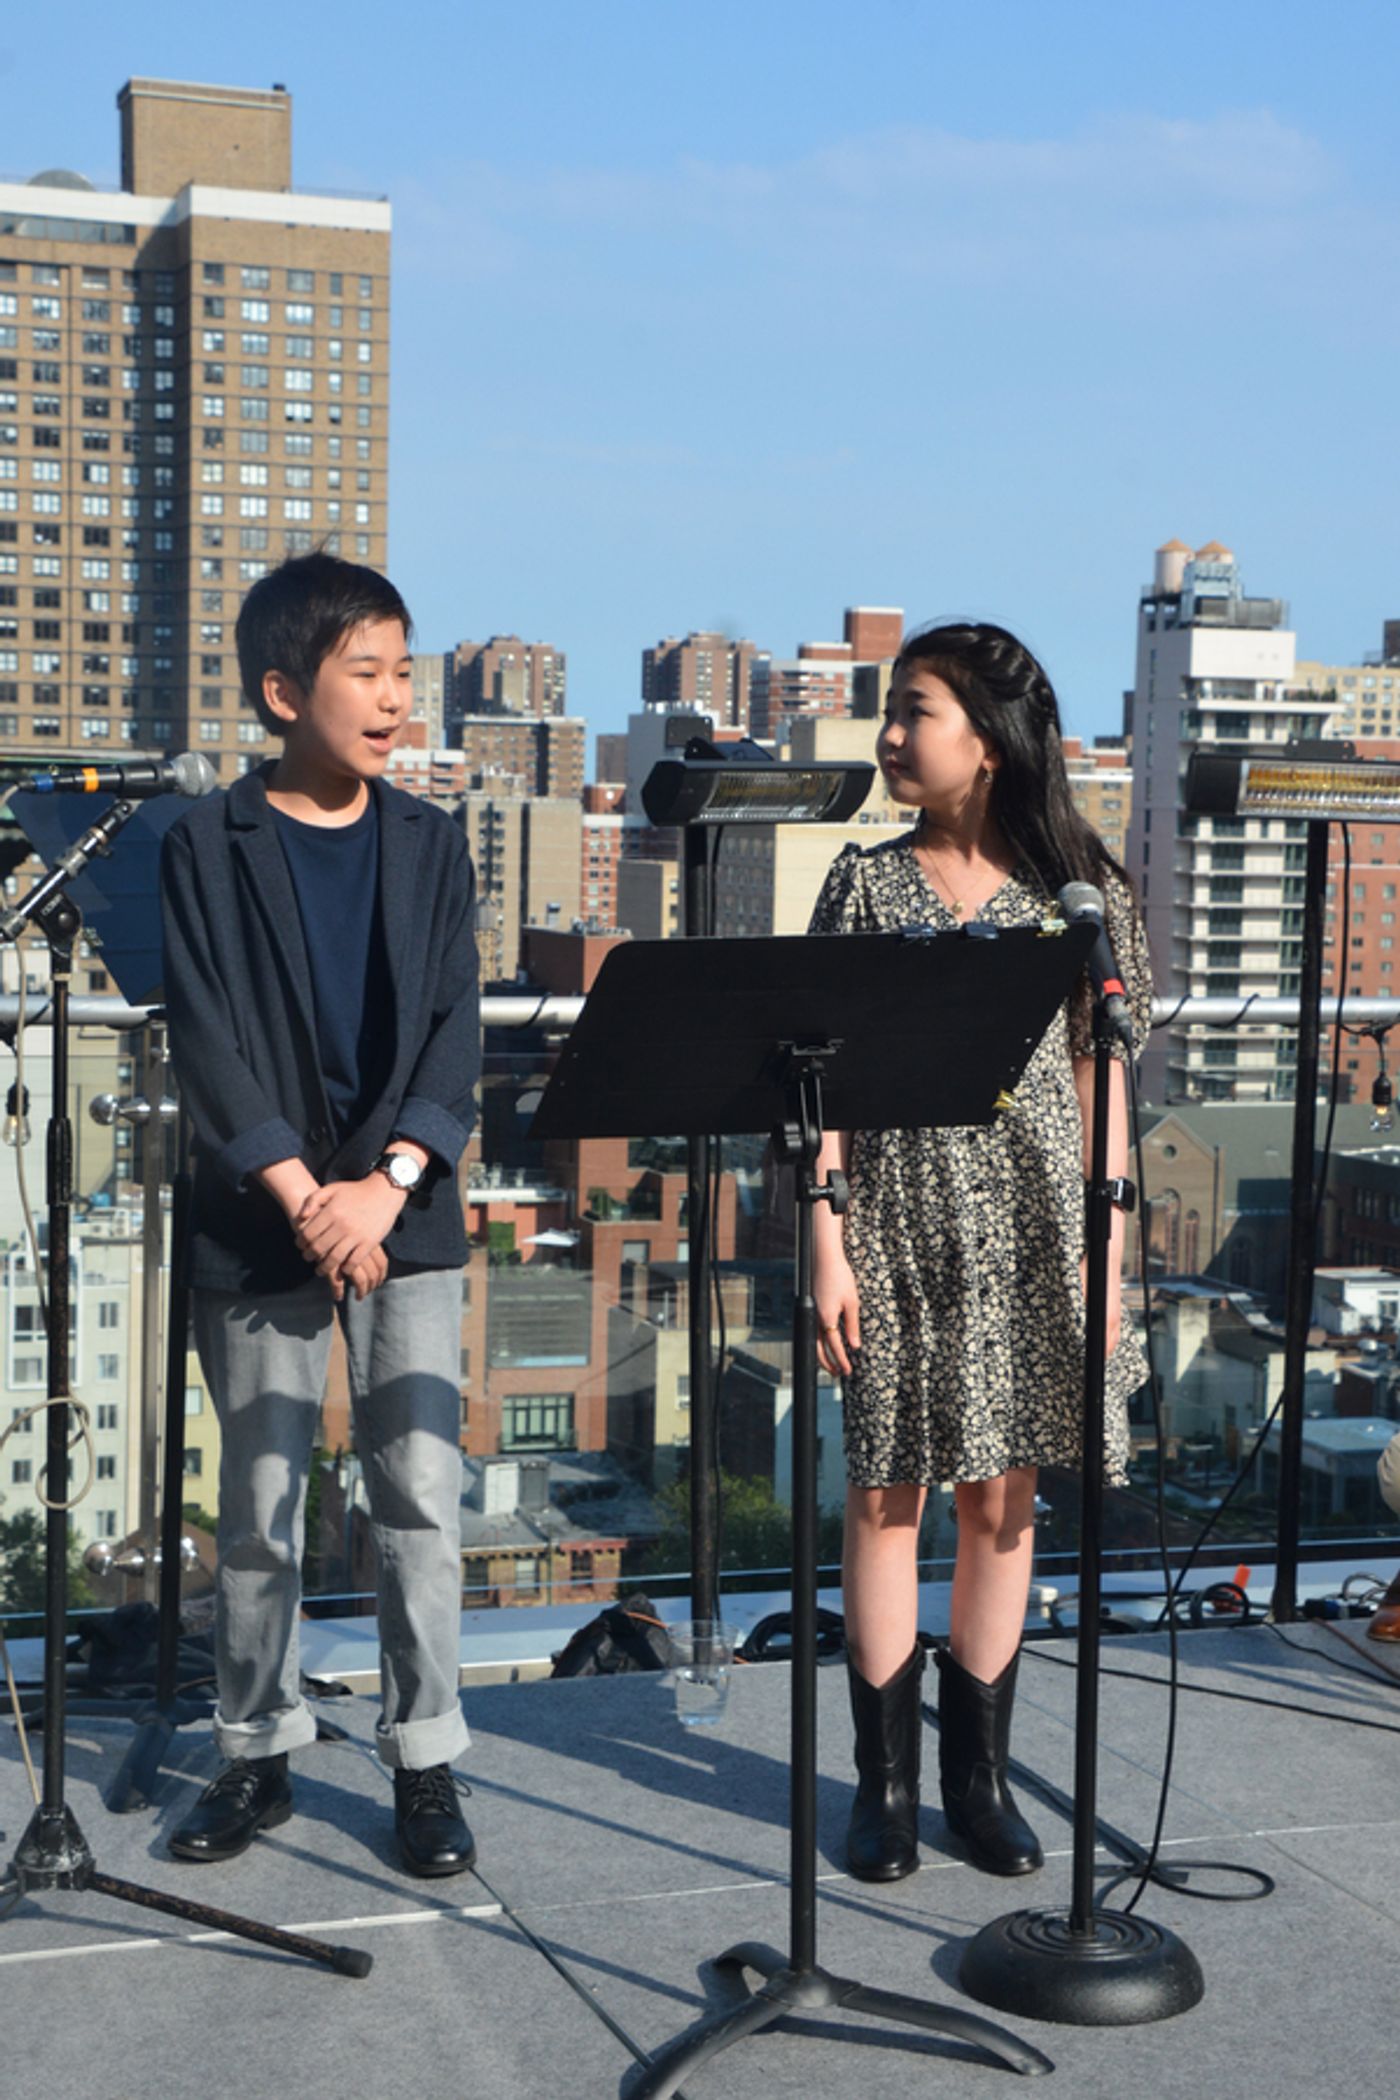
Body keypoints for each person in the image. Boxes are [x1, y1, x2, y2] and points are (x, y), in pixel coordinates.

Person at [809, 620, 1151, 1882]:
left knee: (1002, 1499)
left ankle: (979, 1783)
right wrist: (823, 1241)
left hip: (1036, 1231)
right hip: (891, 1218)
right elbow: (819, 1085)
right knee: (887, 1488)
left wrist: (1102, 1264)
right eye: (888, 713)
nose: (891, 737)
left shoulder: (1083, 898)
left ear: (992, 744)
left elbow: (1101, 1085)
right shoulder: (862, 882)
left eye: (915, 713)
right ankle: (883, 1789)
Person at [160, 552, 480, 1877]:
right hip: (260, 1211)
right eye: (368, 672)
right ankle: (257, 1757)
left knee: (417, 1494)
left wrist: (384, 1184)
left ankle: (425, 1765)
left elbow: (457, 1030)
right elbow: (207, 1039)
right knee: (261, 1500)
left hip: (398, 1211)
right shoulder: (205, 843)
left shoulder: (432, 839)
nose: (396, 696)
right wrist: (305, 1194)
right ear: (286, 690)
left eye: (405, 670)